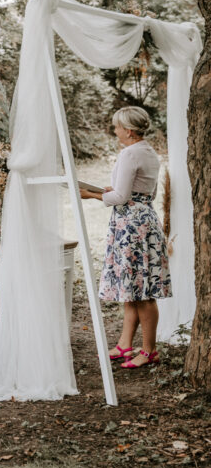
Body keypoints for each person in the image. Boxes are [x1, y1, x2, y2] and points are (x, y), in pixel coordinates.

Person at [81, 106, 171, 369]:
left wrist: (92, 194)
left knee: (142, 291)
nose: (115, 130)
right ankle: (124, 344)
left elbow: (120, 198)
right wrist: (114, 191)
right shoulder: (149, 152)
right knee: (133, 288)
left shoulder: (129, 153)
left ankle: (149, 350)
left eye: (118, 126)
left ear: (129, 131)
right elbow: (145, 193)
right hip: (143, 219)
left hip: (131, 226)